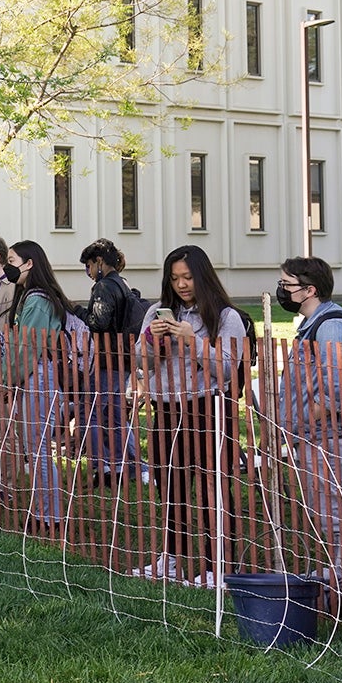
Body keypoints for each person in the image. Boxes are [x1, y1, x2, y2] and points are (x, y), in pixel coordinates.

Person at [128, 245, 249, 588]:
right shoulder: (156, 312)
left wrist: (191, 341)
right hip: (166, 409)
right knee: (170, 485)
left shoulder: (226, 317)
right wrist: (152, 341)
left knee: (212, 487)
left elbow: (226, 371)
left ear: (202, 276)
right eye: (174, 278)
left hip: (207, 407)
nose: (181, 284)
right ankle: (172, 558)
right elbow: (143, 366)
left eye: (188, 277)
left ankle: (217, 564)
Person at [275, 256, 342, 582]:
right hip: (318, 436)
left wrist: (307, 418)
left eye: (286, 285)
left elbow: (337, 388)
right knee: (327, 510)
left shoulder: (331, 327)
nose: (281, 290)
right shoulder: (315, 324)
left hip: (332, 436)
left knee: (338, 511)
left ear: (309, 289)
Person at [4, 241, 71, 529]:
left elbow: (27, 349)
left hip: (38, 376)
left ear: (29, 263)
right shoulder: (29, 297)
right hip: (33, 375)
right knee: (34, 448)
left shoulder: (38, 301)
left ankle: (49, 516)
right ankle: (43, 511)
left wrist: (7, 381)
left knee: (38, 449)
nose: (8, 266)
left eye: (11, 260)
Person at [77, 239, 143, 482]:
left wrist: (77, 310)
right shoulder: (121, 283)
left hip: (107, 359)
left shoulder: (104, 286)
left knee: (90, 413)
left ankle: (102, 466)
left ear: (99, 262)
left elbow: (98, 322)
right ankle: (129, 464)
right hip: (123, 359)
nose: (88, 272)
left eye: (89, 266)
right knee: (115, 416)